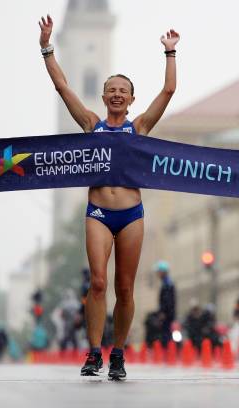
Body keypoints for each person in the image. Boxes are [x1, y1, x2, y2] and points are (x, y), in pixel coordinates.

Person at [39, 15, 179, 380]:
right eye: (111, 90)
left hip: (131, 214)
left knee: (125, 287)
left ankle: (118, 352)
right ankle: (93, 352)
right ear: (104, 97)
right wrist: (47, 48)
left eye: (123, 91)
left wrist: (170, 53)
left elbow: (167, 93)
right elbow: (63, 87)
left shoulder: (140, 127)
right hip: (98, 212)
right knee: (98, 282)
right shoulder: (91, 124)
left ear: (131, 100)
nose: (117, 94)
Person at [155, 261, 176, 346]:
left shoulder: (167, 284)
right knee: (166, 332)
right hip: (168, 313)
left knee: (166, 333)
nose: (158, 274)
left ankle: (168, 352)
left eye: (159, 272)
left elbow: (167, 300)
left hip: (167, 314)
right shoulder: (166, 283)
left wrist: (163, 312)